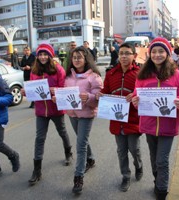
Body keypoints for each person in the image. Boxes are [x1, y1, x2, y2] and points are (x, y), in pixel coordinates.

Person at [132, 37, 179, 200]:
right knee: (153, 157)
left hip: (168, 125)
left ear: (167, 53)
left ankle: (162, 190)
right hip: (149, 124)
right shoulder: (142, 74)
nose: (157, 55)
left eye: (161, 51)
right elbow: (137, 94)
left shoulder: (176, 75)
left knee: (162, 160)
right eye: (154, 51)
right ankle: (158, 180)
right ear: (149, 54)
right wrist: (136, 100)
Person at [96, 43, 143, 192]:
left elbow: (146, 94)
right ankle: (126, 176)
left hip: (134, 120)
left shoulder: (140, 74)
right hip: (116, 120)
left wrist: (137, 96)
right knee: (121, 151)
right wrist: (100, 95)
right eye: (121, 53)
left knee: (134, 149)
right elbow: (106, 91)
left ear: (134, 56)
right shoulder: (111, 74)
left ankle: (139, 165)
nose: (123, 56)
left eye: (127, 53)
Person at [26, 43, 73, 186]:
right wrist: (26, 92)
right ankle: (37, 170)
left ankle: (68, 152)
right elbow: (33, 90)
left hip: (55, 109)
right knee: (39, 138)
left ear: (50, 56)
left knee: (62, 132)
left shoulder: (58, 69)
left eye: (45, 54)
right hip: (41, 110)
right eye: (40, 54)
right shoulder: (34, 71)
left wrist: (55, 91)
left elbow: (63, 87)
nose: (42, 57)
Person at [64, 46, 103, 194]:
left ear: (86, 59)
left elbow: (99, 97)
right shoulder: (68, 76)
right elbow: (64, 93)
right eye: (74, 58)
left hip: (86, 114)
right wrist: (58, 98)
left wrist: (90, 97)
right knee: (82, 140)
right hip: (72, 113)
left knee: (80, 145)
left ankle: (78, 177)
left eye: (79, 57)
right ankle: (91, 159)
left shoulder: (94, 76)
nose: (77, 60)